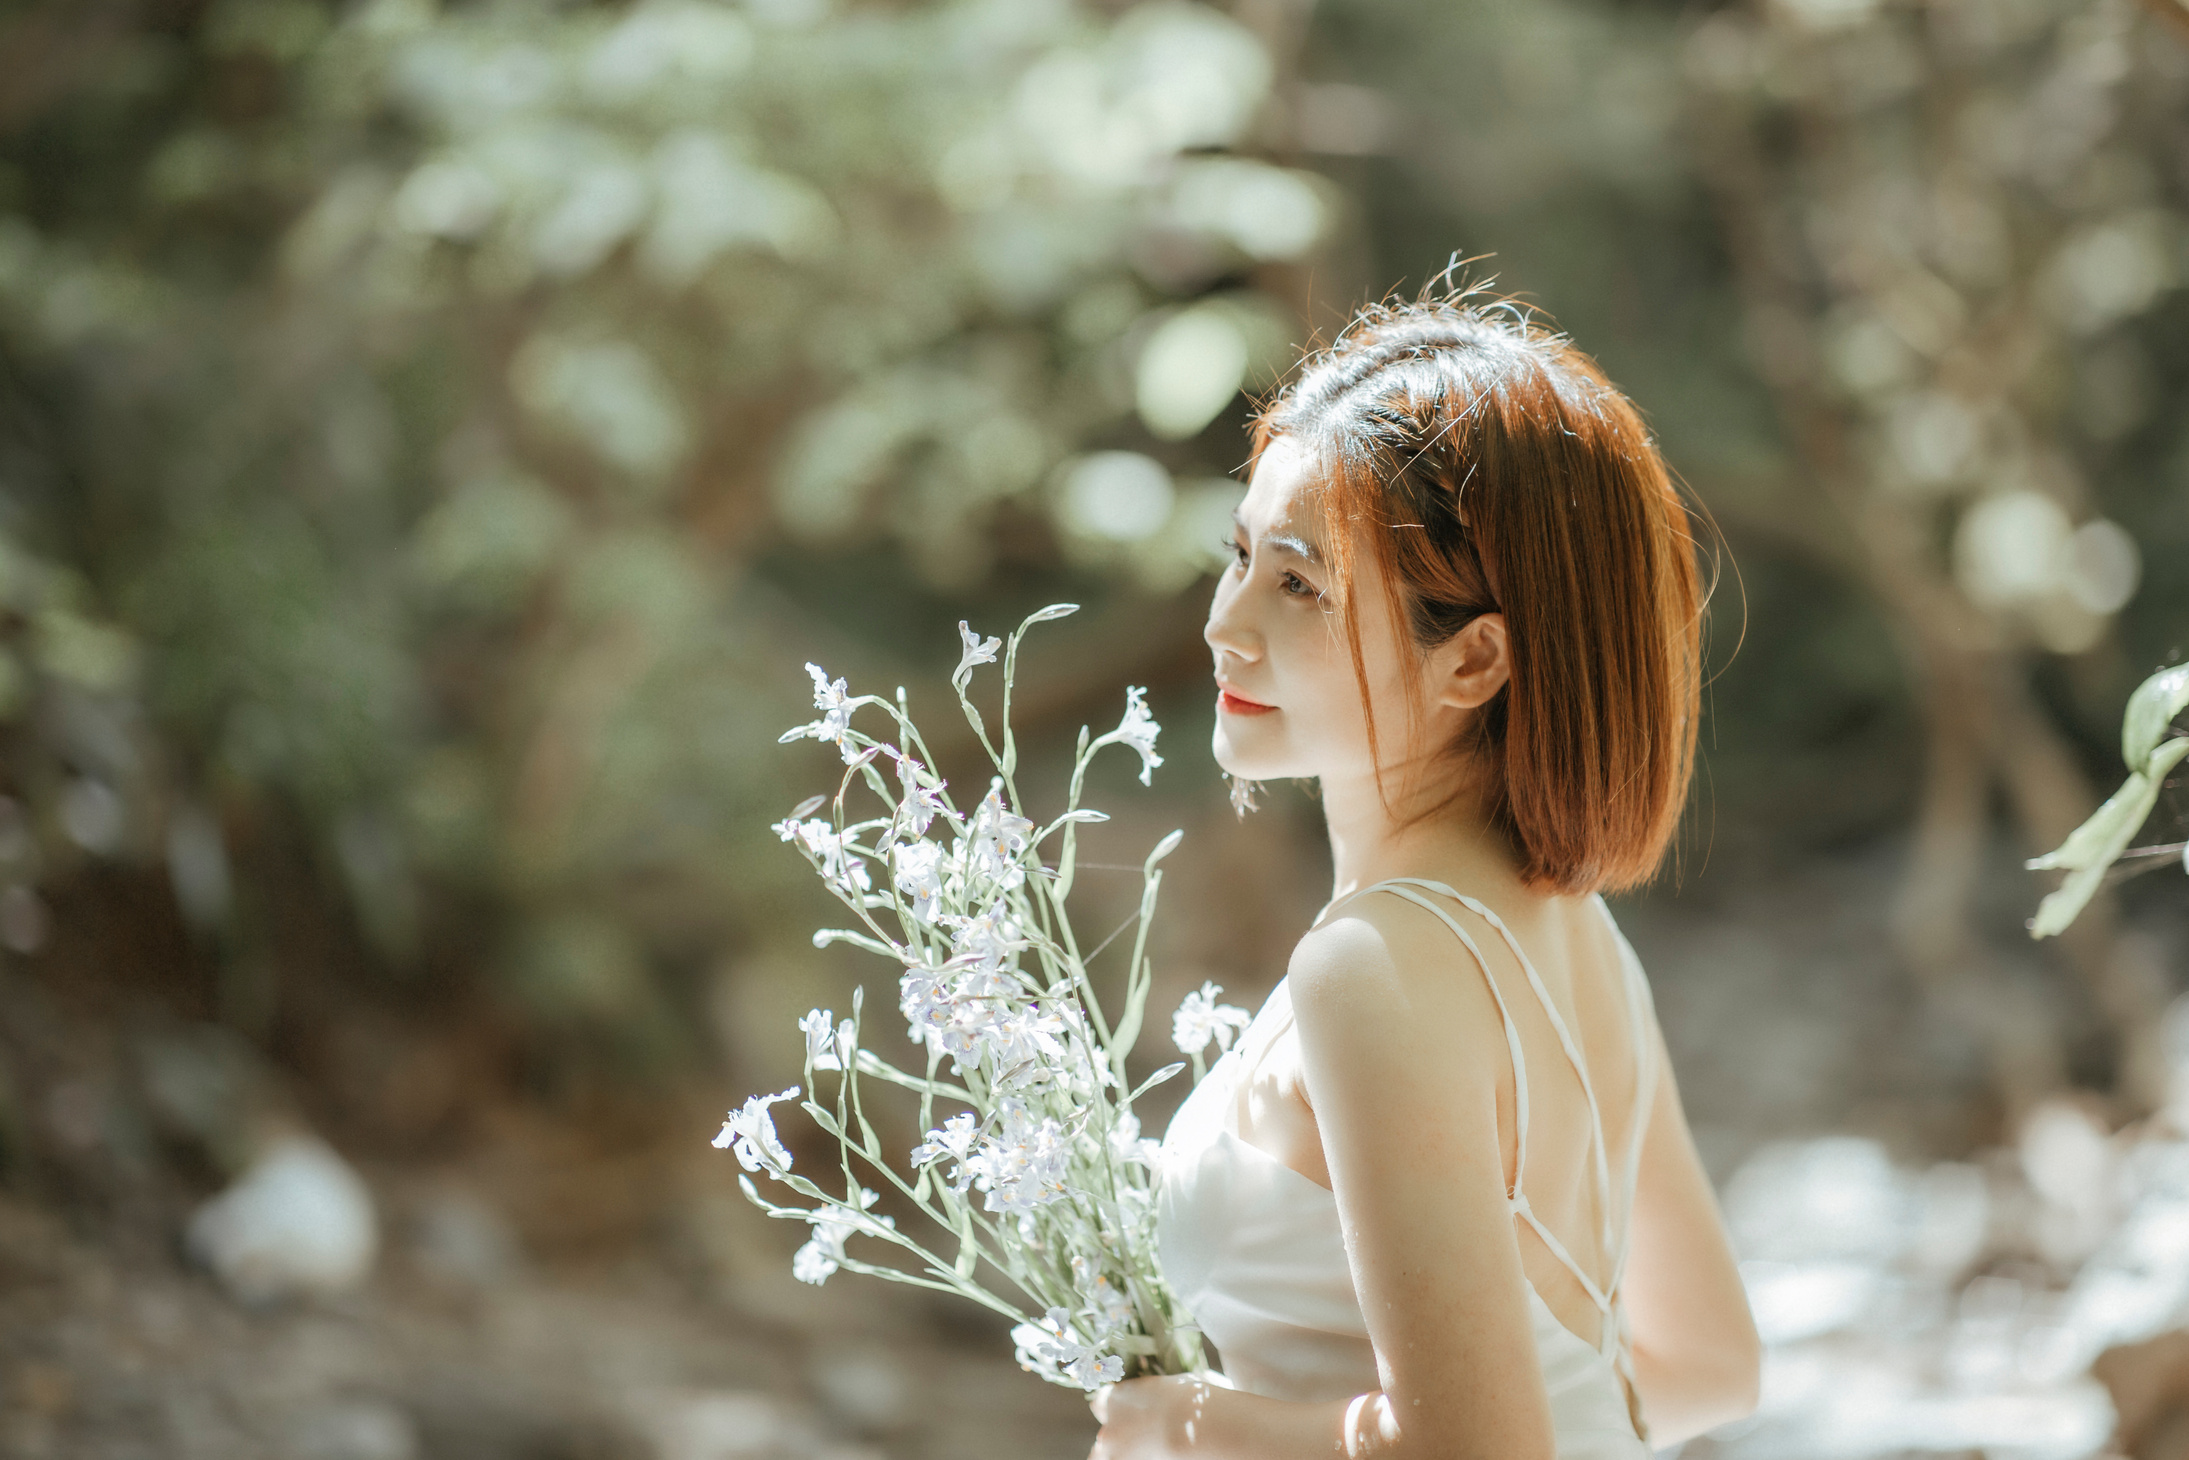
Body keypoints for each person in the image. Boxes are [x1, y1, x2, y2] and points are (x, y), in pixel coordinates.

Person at [1088, 290, 1761, 1458]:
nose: (1222, 623)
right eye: (1237, 554)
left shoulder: (1371, 968)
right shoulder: (1575, 931)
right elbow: (1708, 1365)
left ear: (1474, 658)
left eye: (1297, 584)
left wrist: (1172, 1425)